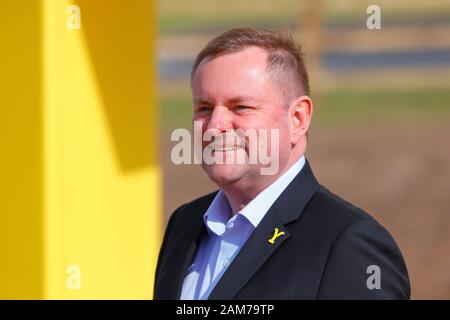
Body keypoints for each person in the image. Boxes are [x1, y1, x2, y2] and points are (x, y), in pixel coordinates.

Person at [154, 27, 410, 300]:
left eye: (241, 107)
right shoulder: (184, 224)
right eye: (204, 108)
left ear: (297, 118)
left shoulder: (348, 244)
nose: (215, 126)